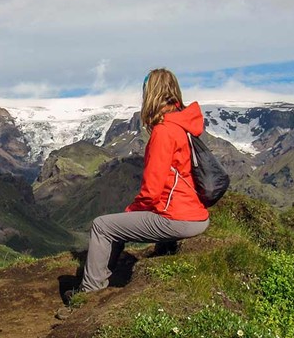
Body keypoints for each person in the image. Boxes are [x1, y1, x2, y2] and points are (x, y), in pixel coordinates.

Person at [64, 68, 210, 302]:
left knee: (102, 226)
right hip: (194, 214)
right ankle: (105, 272)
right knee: (118, 225)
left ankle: (89, 293)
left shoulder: (164, 132)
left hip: (177, 218)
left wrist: (131, 211)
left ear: (150, 94)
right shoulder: (183, 126)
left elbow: (152, 191)